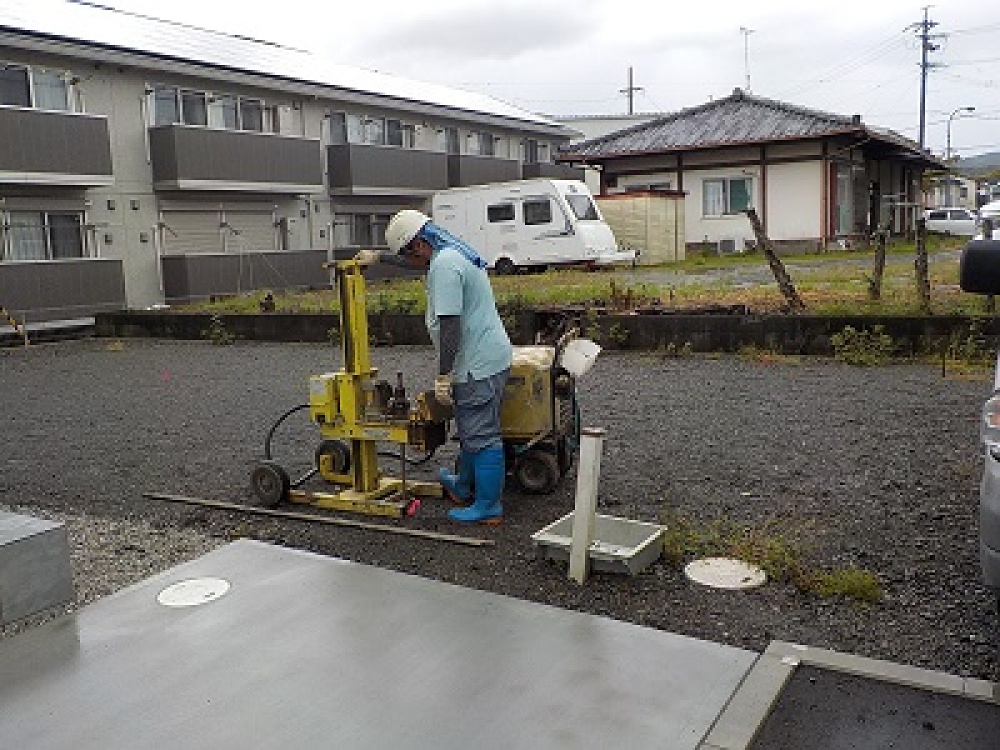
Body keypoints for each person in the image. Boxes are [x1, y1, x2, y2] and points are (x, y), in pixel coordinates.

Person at [385, 209, 512, 524]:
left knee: (483, 436)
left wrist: (444, 375)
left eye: (406, 255)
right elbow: (413, 262)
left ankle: (488, 506)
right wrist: (378, 258)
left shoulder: (442, 267)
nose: (410, 263)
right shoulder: (455, 253)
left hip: (475, 366)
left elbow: (450, 326)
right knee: (472, 426)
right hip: (493, 357)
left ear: (417, 246)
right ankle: (464, 485)